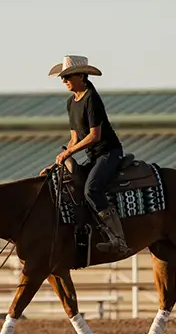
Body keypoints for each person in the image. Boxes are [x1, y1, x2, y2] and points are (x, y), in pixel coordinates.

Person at [48, 55, 130, 254]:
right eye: (62, 77)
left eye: (68, 76)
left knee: (91, 189)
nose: (64, 80)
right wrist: (63, 157)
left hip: (108, 152)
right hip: (94, 156)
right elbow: (75, 138)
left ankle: (118, 240)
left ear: (81, 76)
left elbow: (95, 135)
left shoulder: (91, 98)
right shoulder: (71, 102)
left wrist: (69, 152)